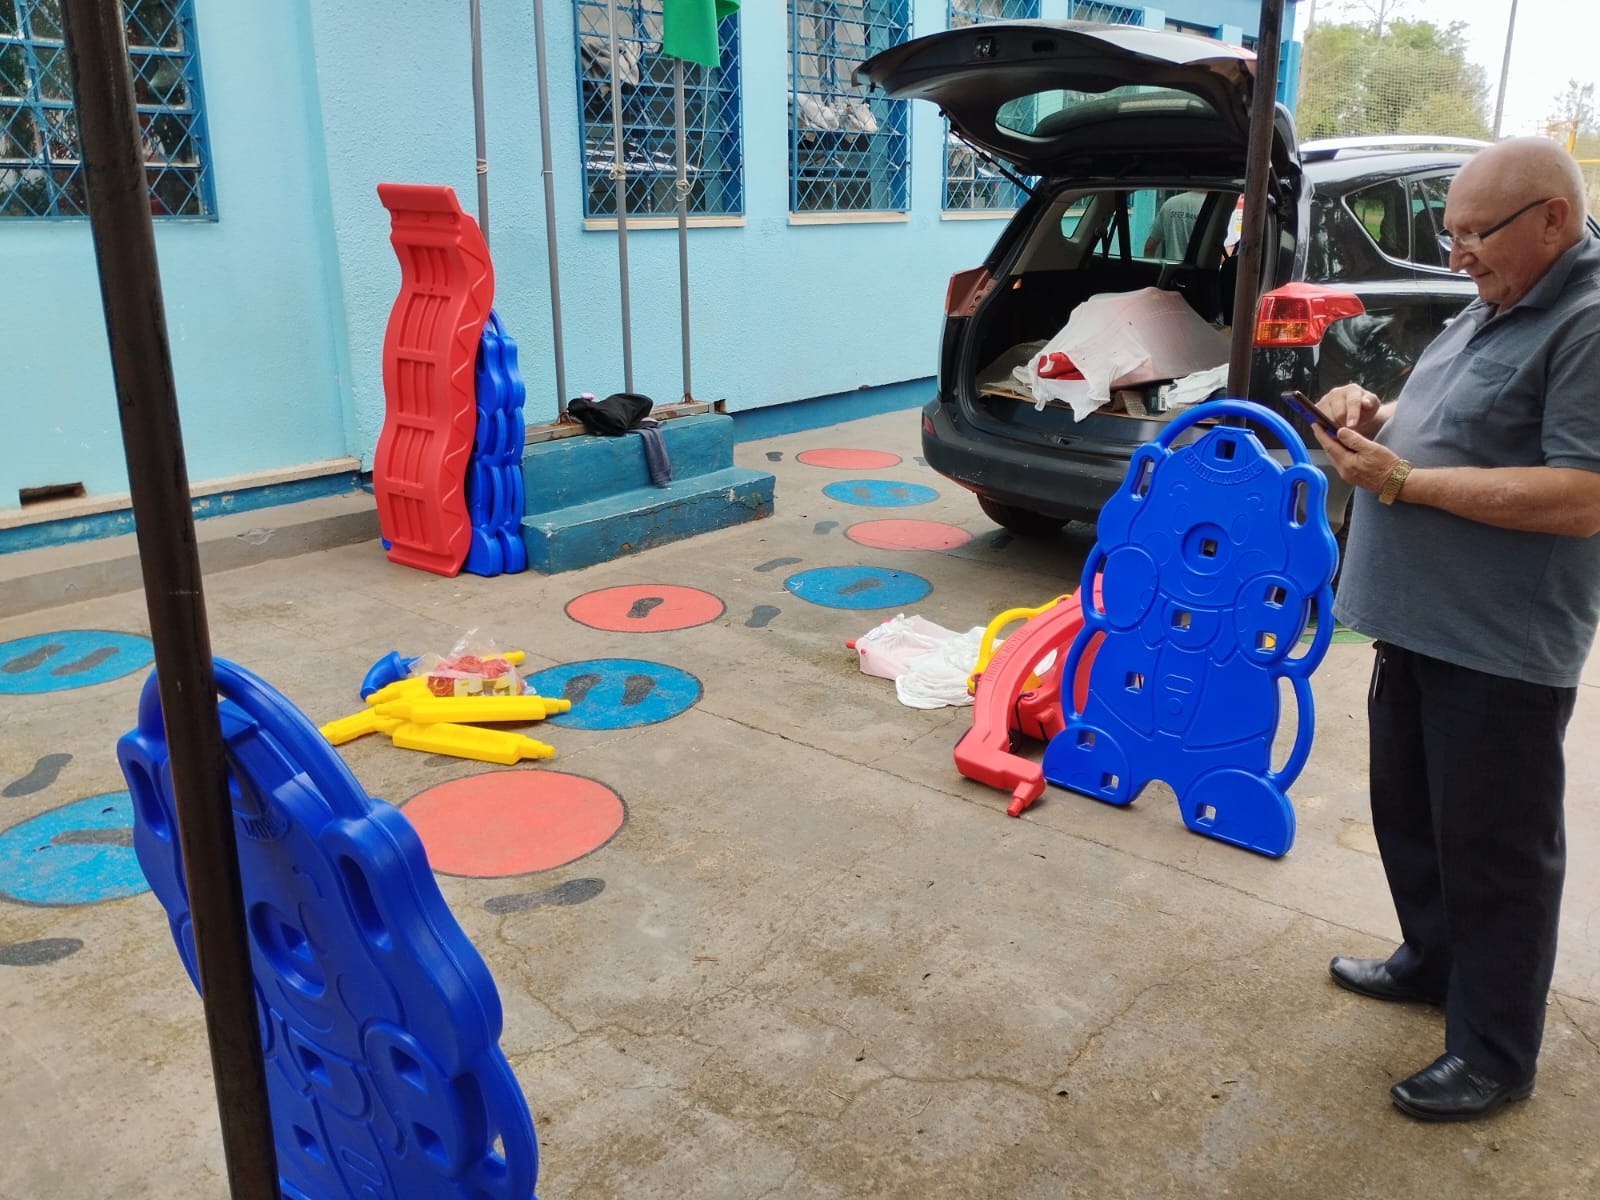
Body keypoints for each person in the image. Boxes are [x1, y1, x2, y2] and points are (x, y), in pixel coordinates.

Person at [1310, 137, 1600, 1123]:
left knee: (1495, 855)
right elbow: (1449, 415)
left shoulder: (1586, 322)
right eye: (1450, 233)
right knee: (1414, 819)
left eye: (1475, 233)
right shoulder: (1497, 299)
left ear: (1552, 220)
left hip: (1497, 646)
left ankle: (1494, 1052)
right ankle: (1433, 962)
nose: (1456, 253)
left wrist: (1404, 481)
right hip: (1419, 624)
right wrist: (1372, 415)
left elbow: (1582, 495)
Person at [1143, 189, 1207, 259]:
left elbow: (1149, 247)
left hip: (1171, 265)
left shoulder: (1170, 203)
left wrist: (1148, 265)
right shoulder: (1212, 207)